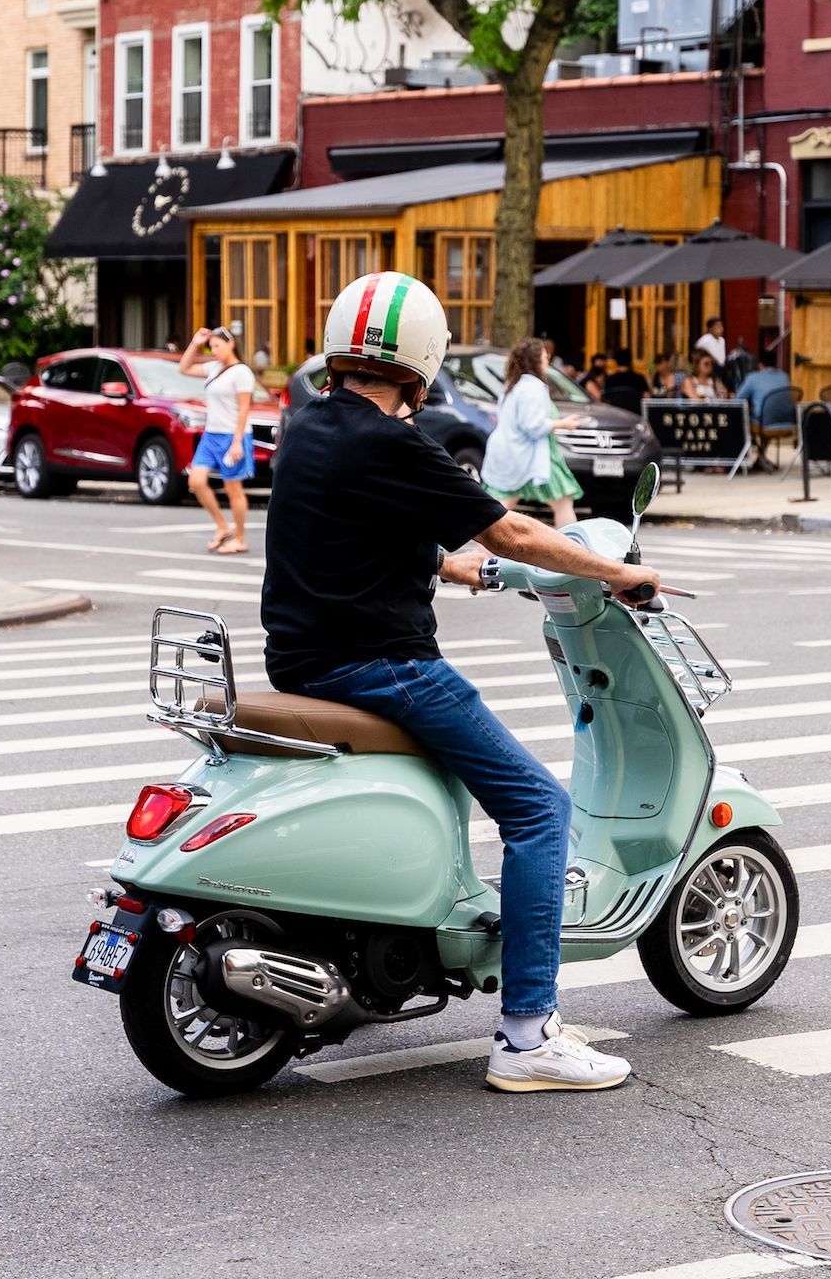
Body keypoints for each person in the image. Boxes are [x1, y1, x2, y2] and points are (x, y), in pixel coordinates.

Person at [263, 271, 661, 1095]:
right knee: (538, 808)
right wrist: (615, 571)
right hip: (380, 665)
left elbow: (354, 528)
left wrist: (458, 570)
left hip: (300, 657)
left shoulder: (309, 424)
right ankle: (526, 1035)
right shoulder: (395, 440)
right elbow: (513, 528)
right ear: (423, 360)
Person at [481, 338, 588, 529]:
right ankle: (571, 548)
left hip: (513, 454)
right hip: (530, 455)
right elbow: (532, 425)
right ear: (536, 360)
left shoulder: (513, 385)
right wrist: (563, 423)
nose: (548, 360)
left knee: (504, 505)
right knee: (563, 501)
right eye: (545, 357)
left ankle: (486, 553)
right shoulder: (533, 387)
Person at [179, 325, 257, 553]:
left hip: (233, 435)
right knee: (196, 481)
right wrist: (195, 343)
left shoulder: (241, 372)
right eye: (211, 346)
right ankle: (222, 526)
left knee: (233, 488)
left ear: (231, 344)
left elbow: (244, 409)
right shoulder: (213, 368)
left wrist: (236, 442)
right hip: (211, 434)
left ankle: (240, 538)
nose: (213, 350)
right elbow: (184, 368)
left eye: (217, 345)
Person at [735, 345, 792, 428]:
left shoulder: (753, 377)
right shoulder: (784, 376)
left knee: (744, 418)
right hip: (787, 422)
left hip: (764, 423)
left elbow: (738, 399)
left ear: (759, 364)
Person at [601, 348, 650, 414]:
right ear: (630, 361)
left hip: (616, 415)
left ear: (616, 361)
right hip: (635, 415)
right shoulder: (639, 378)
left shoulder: (610, 380)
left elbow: (605, 400)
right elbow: (647, 397)